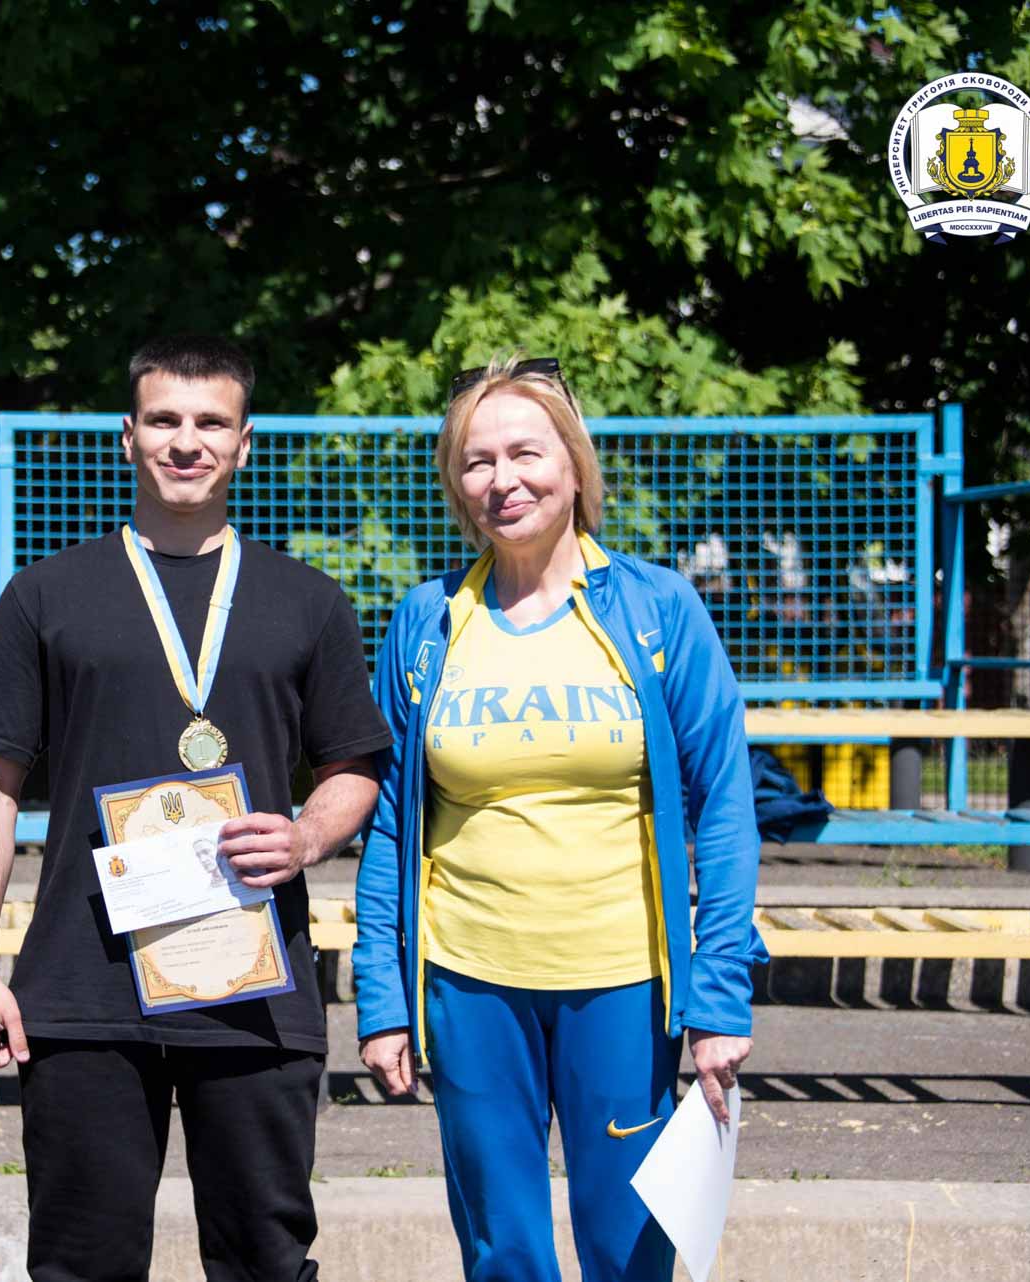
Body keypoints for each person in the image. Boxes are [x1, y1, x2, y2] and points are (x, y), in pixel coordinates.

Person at [0, 335, 390, 1282]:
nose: (186, 443)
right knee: (82, 1265)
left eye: (210, 423)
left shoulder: (308, 602)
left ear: (245, 441)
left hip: (253, 987)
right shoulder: (45, 595)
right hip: (83, 992)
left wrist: (308, 832)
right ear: (128, 435)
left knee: (266, 1259)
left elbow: (356, 764)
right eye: (165, 421)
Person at [352, 355, 767, 1282]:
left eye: (527, 453)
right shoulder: (426, 624)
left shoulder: (659, 611)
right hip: (468, 983)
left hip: (625, 984)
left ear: (575, 467)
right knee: (503, 1249)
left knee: (629, 1249)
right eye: (477, 460)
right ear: (457, 484)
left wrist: (720, 996)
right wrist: (382, 999)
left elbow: (725, 811)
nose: (505, 480)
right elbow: (390, 824)